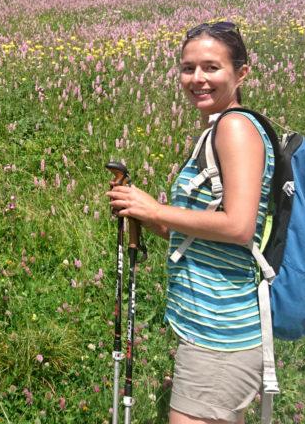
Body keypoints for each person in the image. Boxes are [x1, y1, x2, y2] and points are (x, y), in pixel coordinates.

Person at [108, 21, 275, 424]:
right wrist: (143, 213)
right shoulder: (216, 130)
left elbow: (238, 226)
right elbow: (199, 234)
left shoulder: (235, 129)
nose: (197, 78)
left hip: (221, 333)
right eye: (187, 68)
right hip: (208, 326)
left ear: (241, 72)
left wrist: (156, 210)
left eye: (211, 67)